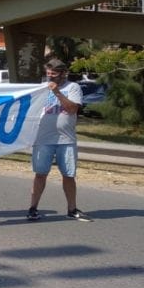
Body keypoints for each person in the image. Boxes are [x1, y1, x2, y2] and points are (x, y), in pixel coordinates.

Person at [27, 59, 91, 221]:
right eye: (48, 74)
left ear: (63, 74)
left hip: (66, 139)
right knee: (40, 174)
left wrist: (57, 92)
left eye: (54, 74)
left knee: (68, 175)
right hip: (42, 139)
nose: (50, 77)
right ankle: (33, 208)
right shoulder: (41, 88)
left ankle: (72, 209)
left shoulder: (73, 87)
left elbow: (72, 109)